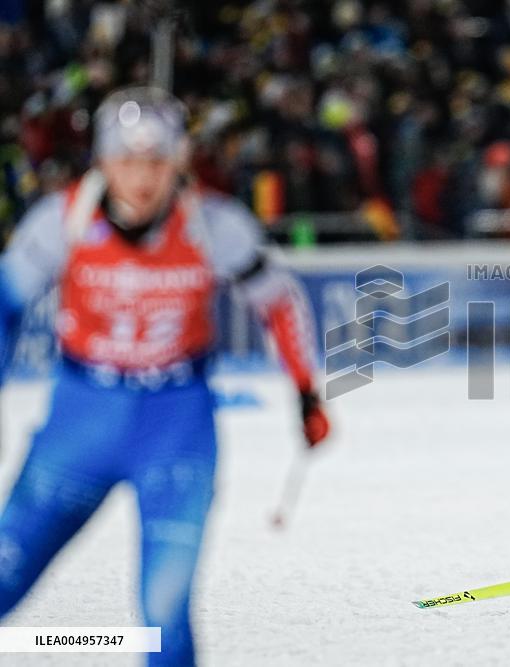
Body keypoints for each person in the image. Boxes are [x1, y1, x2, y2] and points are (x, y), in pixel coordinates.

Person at [0, 87, 330, 664]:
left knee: (164, 615)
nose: (142, 177)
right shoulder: (62, 220)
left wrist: (306, 393)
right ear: (103, 161)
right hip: (80, 426)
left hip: (175, 432)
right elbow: (5, 304)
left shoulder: (214, 224)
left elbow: (282, 302)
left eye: (156, 161)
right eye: (127, 161)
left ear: (178, 160)